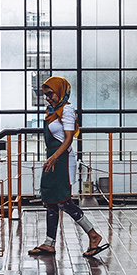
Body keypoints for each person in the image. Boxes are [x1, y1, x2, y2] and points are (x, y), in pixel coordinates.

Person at [29, 75, 109, 258]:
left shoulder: (67, 110)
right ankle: (49, 243)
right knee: (50, 200)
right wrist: (52, 157)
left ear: (60, 91)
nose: (47, 98)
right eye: (45, 95)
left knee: (63, 200)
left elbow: (68, 138)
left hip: (62, 158)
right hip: (53, 157)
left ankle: (93, 235)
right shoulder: (52, 111)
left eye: (50, 94)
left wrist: (55, 157)